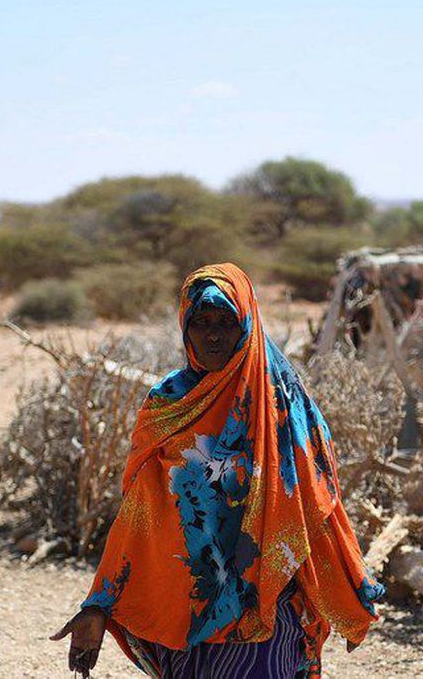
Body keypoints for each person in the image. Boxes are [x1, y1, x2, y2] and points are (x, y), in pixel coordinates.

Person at [51, 263, 383, 678]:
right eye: (201, 322)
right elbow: (140, 515)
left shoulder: (281, 403)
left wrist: (345, 596)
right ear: (184, 327)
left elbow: (315, 507)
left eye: (226, 322)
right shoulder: (168, 404)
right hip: (184, 606)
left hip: (267, 601)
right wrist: (98, 604)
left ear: (246, 323)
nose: (212, 334)